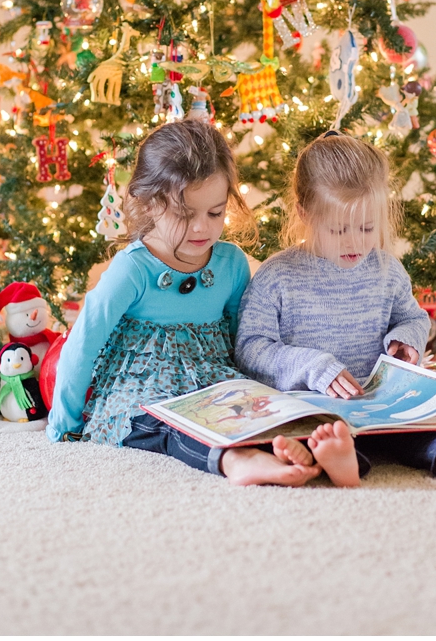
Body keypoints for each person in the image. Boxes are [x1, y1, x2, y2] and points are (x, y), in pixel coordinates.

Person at [46, 120, 321, 487]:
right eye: (184, 214)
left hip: (212, 384)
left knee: (252, 410)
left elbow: (247, 342)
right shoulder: (133, 268)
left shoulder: (231, 264)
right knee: (161, 427)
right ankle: (233, 460)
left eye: (215, 213)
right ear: (148, 203)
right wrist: (64, 426)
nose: (201, 229)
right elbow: (83, 344)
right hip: (140, 391)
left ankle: (281, 447)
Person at [234, 132, 436, 487]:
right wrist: (312, 365)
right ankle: (343, 461)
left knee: (417, 434)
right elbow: (250, 348)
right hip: (311, 406)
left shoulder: (386, 269)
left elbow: (413, 317)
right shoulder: (277, 276)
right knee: (311, 438)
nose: (355, 242)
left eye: (367, 228)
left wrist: (405, 341)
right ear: (304, 213)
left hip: (377, 405)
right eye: (338, 230)